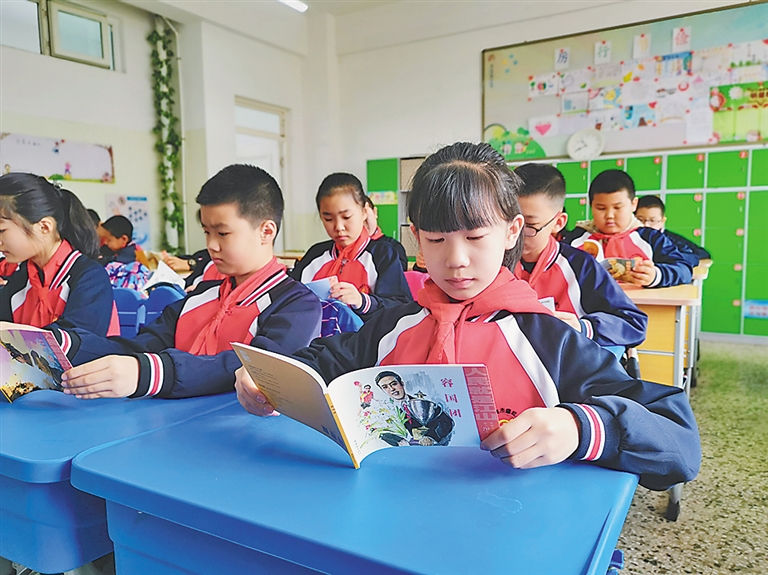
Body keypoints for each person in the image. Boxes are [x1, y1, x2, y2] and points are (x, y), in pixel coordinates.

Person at [234, 143, 701, 491]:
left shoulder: (546, 338)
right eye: (437, 240)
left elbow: (679, 442)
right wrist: (268, 379)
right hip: (395, 516)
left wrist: (579, 429)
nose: (456, 260)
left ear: (512, 231)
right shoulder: (398, 325)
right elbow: (320, 361)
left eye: (475, 237)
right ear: (416, 237)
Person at [57, 164, 322, 399]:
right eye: (207, 232)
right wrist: (68, 344)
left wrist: (154, 372)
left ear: (266, 231)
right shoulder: (200, 297)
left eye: (222, 233)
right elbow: (141, 347)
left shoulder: (297, 306)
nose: (211, 245)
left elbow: (258, 369)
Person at [513, 163, 647, 348]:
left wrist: (583, 327)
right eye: (508, 221)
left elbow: (634, 323)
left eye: (529, 226)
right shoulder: (493, 262)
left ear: (558, 222)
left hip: (563, 359)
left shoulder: (580, 266)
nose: (515, 234)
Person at [0, 173, 116, 336]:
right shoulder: (21, 281)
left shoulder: (90, 278)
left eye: (1, 230)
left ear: (44, 227)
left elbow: (78, 343)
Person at [290, 173, 412, 320]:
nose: (338, 227)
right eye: (328, 219)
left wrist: (363, 302)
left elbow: (402, 307)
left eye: (346, 217)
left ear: (364, 212)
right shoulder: (315, 255)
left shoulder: (382, 255)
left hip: (365, 334)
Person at [563, 170, 692, 288]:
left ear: (634, 204)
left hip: (639, 305)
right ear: (591, 206)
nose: (609, 215)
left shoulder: (650, 238)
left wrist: (656, 276)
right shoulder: (576, 238)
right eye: (601, 208)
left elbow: (684, 269)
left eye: (618, 207)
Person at [375, 370, 455, 446]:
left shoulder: (423, 403)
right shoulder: (385, 411)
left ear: (402, 383)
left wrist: (431, 437)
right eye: (385, 387)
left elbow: (446, 422)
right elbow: (381, 433)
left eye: (394, 384)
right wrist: (398, 440)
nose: (392, 389)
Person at [635, 195, 711, 267]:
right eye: (640, 220)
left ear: (662, 221)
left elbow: (702, 254)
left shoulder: (672, 240)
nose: (646, 225)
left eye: (652, 221)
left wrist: (672, 257)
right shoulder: (631, 237)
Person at [363, 195, 408, 271]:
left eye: (366, 218)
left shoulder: (393, 248)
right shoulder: (344, 249)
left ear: (375, 212)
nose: (362, 225)